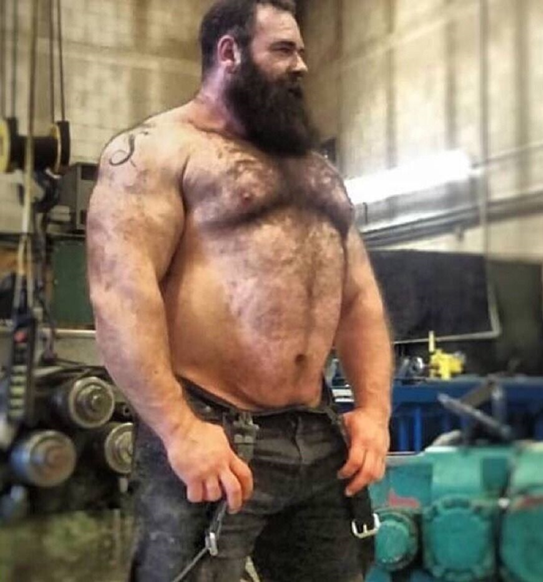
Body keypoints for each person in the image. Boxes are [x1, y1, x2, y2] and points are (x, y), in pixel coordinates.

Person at [86, 0, 393, 580]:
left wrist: (374, 412)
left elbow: (359, 302)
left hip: (318, 435)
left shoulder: (316, 172)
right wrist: (179, 430)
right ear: (230, 53)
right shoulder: (158, 150)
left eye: (301, 51)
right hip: (213, 439)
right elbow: (121, 298)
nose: (301, 65)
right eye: (284, 50)